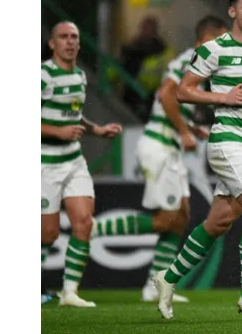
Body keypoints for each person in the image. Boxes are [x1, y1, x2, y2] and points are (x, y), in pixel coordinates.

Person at [152, 0, 242, 320]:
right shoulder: (214, 50)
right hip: (227, 141)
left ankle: (167, 277)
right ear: (232, 12)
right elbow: (182, 92)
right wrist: (223, 97)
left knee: (218, 223)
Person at [90, 16, 229, 303]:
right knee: (167, 219)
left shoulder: (198, 66)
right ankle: (93, 229)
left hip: (169, 149)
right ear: (205, 39)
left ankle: (156, 285)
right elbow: (166, 94)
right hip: (159, 146)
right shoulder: (192, 59)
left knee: (180, 218)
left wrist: (190, 128)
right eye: (220, 40)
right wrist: (184, 132)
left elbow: (171, 102)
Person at [41, 21, 123, 307]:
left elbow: (73, 116)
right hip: (44, 163)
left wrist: (96, 129)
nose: (70, 42)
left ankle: (69, 292)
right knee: (47, 234)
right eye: (63, 37)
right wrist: (57, 132)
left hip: (74, 160)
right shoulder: (43, 75)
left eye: (74, 37)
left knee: (84, 223)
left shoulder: (79, 76)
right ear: (52, 44)